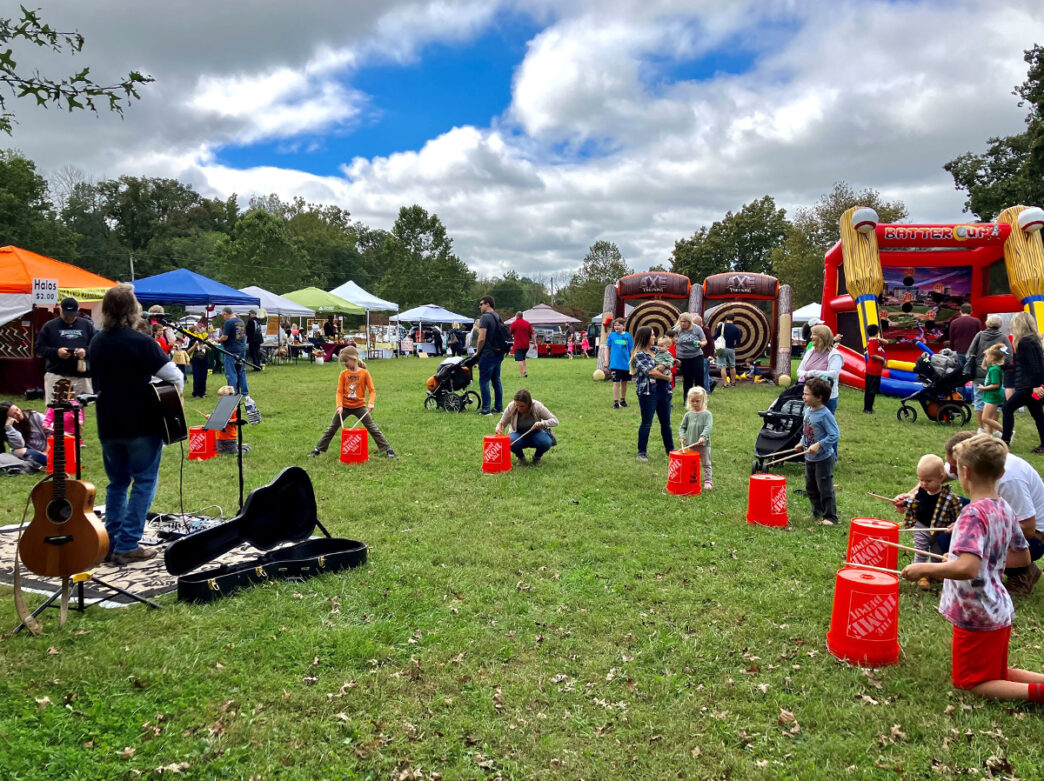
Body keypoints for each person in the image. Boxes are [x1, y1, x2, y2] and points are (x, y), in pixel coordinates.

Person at [900, 435, 1044, 702]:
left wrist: (926, 569)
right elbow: (1023, 558)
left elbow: (968, 568)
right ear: (1001, 472)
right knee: (997, 672)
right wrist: (955, 560)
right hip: (997, 608)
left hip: (977, 613)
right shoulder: (1004, 508)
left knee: (970, 681)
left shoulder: (972, 514)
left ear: (964, 472)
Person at [88, 283, 183, 565]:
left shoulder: (96, 341)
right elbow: (175, 377)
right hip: (141, 424)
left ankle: (110, 542)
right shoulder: (141, 342)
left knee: (116, 483)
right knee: (143, 481)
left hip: (108, 422)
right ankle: (128, 544)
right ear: (133, 311)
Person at [310, 346, 395, 459]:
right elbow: (339, 392)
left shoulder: (364, 373)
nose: (345, 363)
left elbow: (372, 390)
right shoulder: (343, 374)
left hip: (360, 407)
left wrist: (371, 403)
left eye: (346, 361)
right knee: (332, 428)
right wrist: (339, 405)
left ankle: (387, 449)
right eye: (343, 361)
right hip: (344, 406)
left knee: (372, 427)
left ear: (354, 358)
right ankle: (318, 449)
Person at [895, 454, 963, 588]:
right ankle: (921, 575)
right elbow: (912, 502)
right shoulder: (920, 491)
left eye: (928, 481)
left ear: (941, 478)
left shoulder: (950, 498)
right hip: (922, 527)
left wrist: (957, 523)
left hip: (940, 530)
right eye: (921, 480)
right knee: (920, 551)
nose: (924, 484)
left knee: (936, 553)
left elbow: (958, 513)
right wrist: (902, 504)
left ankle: (934, 572)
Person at [34, 296, 96, 400]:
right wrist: (56, 352)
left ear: (78, 311)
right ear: (60, 309)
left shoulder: (87, 325)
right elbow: (39, 348)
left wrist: (85, 351)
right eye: (66, 315)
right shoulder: (49, 326)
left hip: (80, 375)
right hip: (58, 375)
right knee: (57, 409)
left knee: (78, 411)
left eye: (72, 315)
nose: (69, 318)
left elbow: (95, 347)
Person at [797, 377, 840, 526]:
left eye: (807, 394)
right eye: (804, 393)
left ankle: (831, 517)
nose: (804, 396)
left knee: (825, 488)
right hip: (810, 457)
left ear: (819, 397)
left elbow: (834, 435)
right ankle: (818, 512)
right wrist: (802, 442)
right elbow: (807, 431)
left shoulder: (825, 414)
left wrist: (819, 445)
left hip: (823, 458)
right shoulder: (808, 411)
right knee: (811, 487)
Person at [1000, 311, 1044, 452]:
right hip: (1030, 384)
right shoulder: (1032, 341)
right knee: (1038, 415)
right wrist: (1004, 366)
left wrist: (1037, 385)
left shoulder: (1026, 342)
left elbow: (1035, 365)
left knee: (1007, 408)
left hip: (1029, 385)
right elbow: (1022, 364)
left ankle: (1005, 441)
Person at [631, 325, 674, 461]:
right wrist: (666, 376)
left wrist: (665, 365)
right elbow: (651, 372)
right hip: (648, 393)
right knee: (646, 423)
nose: (655, 338)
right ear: (645, 338)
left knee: (666, 423)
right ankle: (641, 452)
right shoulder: (639, 355)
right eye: (652, 335)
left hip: (663, 391)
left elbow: (672, 361)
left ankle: (671, 451)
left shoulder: (657, 350)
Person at [495, 388, 558, 465]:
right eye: (516, 405)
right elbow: (502, 423)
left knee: (546, 442)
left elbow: (555, 421)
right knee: (509, 440)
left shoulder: (537, 406)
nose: (518, 408)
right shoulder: (511, 406)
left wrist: (542, 423)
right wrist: (499, 428)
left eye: (522, 406)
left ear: (529, 404)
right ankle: (521, 458)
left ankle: (537, 457)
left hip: (536, 433)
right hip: (517, 434)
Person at [965, 315, 1007, 431]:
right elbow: (1009, 355)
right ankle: (992, 428)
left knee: (979, 400)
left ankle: (981, 428)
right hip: (996, 374)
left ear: (987, 323)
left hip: (979, 372)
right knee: (996, 403)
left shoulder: (980, 335)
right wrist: (1000, 364)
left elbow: (970, 352)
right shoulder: (1003, 337)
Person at [797, 324, 843, 415]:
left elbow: (834, 374)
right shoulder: (810, 352)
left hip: (826, 397)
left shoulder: (834, 355)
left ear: (822, 337)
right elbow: (799, 371)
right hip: (810, 395)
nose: (811, 337)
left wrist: (812, 373)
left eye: (814, 334)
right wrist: (807, 374)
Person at [475, 296, 508, 416]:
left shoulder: (485, 318)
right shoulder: (498, 317)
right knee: (496, 380)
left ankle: (486, 409)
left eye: (481, 304)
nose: (480, 306)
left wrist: (477, 352)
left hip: (488, 353)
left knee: (484, 381)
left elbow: (481, 338)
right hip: (499, 353)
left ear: (487, 304)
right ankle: (498, 408)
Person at [679, 386, 713, 490]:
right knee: (692, 464)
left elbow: (708, 426)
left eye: (697, 401)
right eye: (692, 401)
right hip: (691, 444)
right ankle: (692, 479)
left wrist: (703, 436)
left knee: (706, 463)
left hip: (703, 445)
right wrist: (682, 436)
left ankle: (708, 481)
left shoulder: (707, 414)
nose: (695, 403)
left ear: (703, 400)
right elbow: (682, 427)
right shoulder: (688, 414)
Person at [672, 312, 707, 402]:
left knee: (699, 378)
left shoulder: (697, 329)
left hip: (696, 356)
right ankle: (687, 401)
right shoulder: (677, 330)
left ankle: (701, 400)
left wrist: (701, 344)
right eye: (681, 321)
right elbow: (670, 341)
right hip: (683, 357)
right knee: (688, 379)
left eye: (685, 321)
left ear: (689, 322)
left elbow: (704, 341)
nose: (683, 323)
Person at [218, 306, 249, 396]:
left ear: (225, 314)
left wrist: (218, 341)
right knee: (241, 371)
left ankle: (232, 392)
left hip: (230, 351)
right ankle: (244, 392)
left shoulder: (228, 323)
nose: (223, 317)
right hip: (241, 349)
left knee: (231, 373)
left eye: (223, 315)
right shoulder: (240, 321)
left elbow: (224, 337)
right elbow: (241, 336)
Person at [978, 343, 1008, 436]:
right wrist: (986, 354)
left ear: (992, 358)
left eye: (987, 357)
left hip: (993, 397)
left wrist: (984, 388)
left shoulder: (995, 369)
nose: (985, 358)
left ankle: (1007, 432)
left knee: (986, 418)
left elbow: (996, 385)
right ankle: (988, 436)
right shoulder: (992, 367)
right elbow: (983, 366)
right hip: (990, 396)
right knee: (989, 418)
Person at [604, 318, 634, 409]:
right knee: (616, 383)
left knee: (624, 382)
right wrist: (606, 360)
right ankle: (616, 402)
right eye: (615, 325)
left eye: (618, 325)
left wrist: (633, 362)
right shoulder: (612, 335)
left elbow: (631, 350)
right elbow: (607, 348)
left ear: (623, 326)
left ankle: (623, 400)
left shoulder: (628, 336)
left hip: (626, 364)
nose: (616, 327)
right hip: (615, 364)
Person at [713, 315, 741, 387]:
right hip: (731, 349)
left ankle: (725, 384)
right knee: (732, 366)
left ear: (726, 319)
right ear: (733, 319)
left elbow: (715, 337)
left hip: (722, 348)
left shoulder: (722, 326)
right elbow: (738, 341)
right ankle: (734, 382)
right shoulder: (736, 329)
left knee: (723, 366)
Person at [863, 323, 886, 414]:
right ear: (877, 332)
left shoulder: (876, 341)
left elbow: (886, 342)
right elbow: (872, 355)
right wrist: (883, 360)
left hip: (876, 369)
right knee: (870, 390)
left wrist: (877, 338)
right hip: (873, 369)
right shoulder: (872, 343)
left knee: (872, 390)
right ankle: (867, 408)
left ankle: (869, 408)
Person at [187, 317, 210, 399]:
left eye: (197, 331)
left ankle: (202, 392)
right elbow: (188, 352)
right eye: (194, 332)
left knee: (204, 377)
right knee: (197, 376)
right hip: (196, 360)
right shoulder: (192, 341)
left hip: (204, 360)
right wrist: (194, 346)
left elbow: (211, 347)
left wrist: (206, 346)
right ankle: (196, 393)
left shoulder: (204, 339)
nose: (196, 333)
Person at [693, 313, 714, 392]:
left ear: (699, 323)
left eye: (694, 323)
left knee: (703, 375)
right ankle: (712, 382)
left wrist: (711, 355)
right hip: (699, 355)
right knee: (703, 373)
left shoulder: (705, 330)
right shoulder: (696, 331)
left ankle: (706, 391)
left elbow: (711, 342)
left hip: (705, 356)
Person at [510, 312, 534, 378]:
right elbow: (532, 334)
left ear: (516, 316)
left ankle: (523, 374)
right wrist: (535, 343)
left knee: (519, 359)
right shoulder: (528, 323)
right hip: (526, 344)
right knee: (523, 358)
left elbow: (510, 333)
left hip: (518, 344)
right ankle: (525, 370)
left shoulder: (514, 324)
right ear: (522, 316)